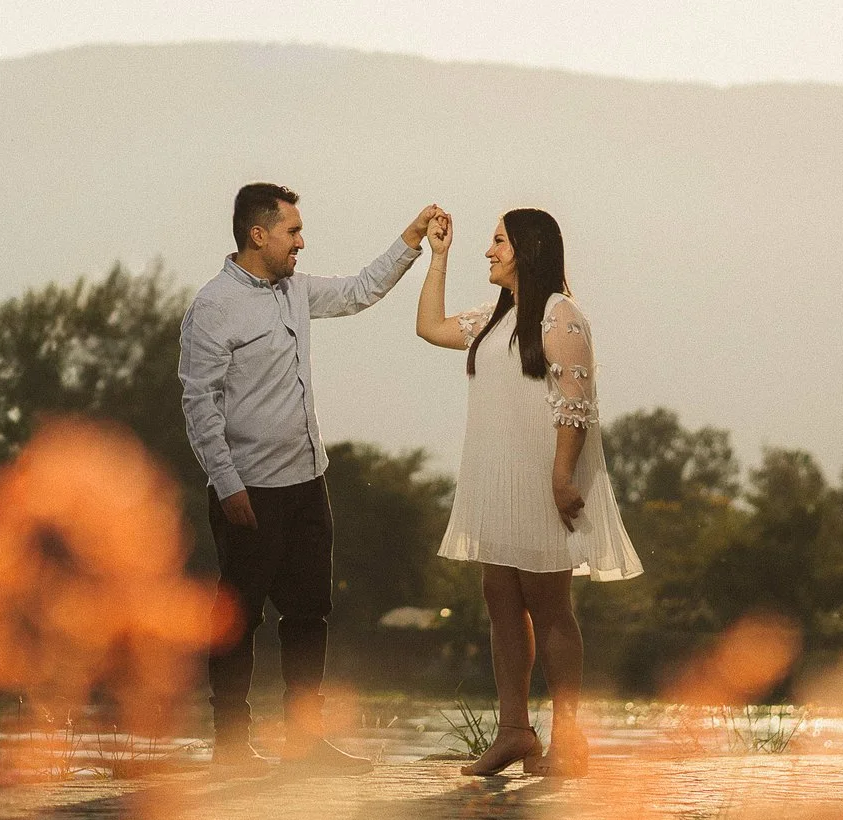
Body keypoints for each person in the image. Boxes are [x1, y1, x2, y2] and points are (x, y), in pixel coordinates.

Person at [181, 182, 442, 772]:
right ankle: (231, 747)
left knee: (308, 615)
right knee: (237, 618)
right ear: (258, 234)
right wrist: (227, 484)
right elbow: (199, 403)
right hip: (249, 489)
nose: (301, 242)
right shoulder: (215, 306)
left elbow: (359, 290)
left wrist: (411, 239)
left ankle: (305, 743)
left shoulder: (295, 290)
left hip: (307, 482)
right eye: (292, 232)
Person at [414, 208, 641, 777]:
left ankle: (569, 737)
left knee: (550, 604)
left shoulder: (560, 315)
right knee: (501, 602)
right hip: (498, 479)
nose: (489, 252)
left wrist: (562, 477)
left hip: (542, 479)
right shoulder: (497, 317)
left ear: (527, 249)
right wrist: (437, 257)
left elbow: (574, 406)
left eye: (498, 242)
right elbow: (430, 328)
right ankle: (514, 731)